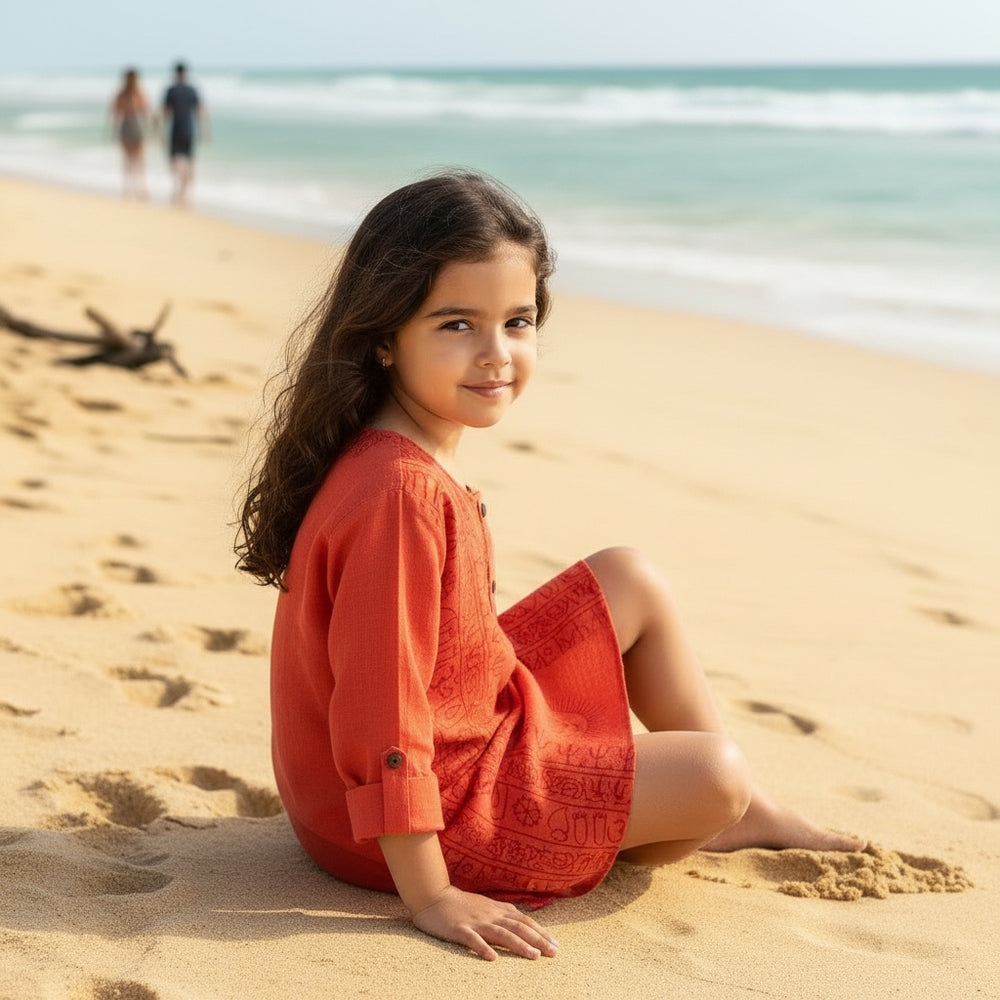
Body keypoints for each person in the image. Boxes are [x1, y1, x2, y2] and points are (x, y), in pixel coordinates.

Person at [235, 171, 864, 963]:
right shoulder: (397, 495)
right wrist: (430, 893)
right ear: (385, 335)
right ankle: (719, 808)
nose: (496, 355)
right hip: (396, 829)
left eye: (518, 321)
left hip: (459, 727)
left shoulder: (405, 450)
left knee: (627, 576)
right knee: (714, 772)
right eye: (457, 324)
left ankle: (749, 815)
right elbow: (380, 714)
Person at [161, 61, 209, 206]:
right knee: (189, 160)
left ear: (176, 73)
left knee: (175, 160)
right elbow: (200, 111)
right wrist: (205, 130)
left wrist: (159, 130)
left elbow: (166, 112)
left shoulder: (171, 90)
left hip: (176, 130)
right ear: (185, 73)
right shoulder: (191, 90)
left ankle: (179, 187)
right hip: (189, 130)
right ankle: (187, 190)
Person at [108, 67, 150, 200]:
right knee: (135, 160)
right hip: (132, 126)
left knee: (133, 160)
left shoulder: (129, 94)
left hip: (130, 126)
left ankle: (134, 187)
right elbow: (144, 113)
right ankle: (135, 187)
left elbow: (116, 115)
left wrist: (113, 131)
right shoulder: (133, 94)